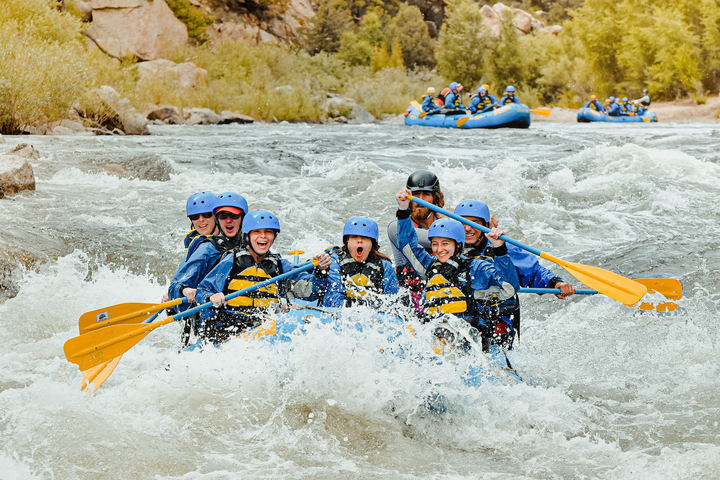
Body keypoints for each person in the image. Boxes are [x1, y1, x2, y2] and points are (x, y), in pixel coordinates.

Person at [394, 189, 520, 350]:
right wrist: (403, 209)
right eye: (435, 244)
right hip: (438, 341)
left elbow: (509, 287)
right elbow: (406, 244)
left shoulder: (475, 267)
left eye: (445, 243)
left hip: (470, 346)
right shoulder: (430, 266)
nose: (439, 249)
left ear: (458, 245)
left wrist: (499, 249)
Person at [196, 209, 331, 344]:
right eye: (257, 232)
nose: (263, 236)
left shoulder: (280, 265)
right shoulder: (231, 261)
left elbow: (312, 292)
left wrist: (321, 271)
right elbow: (202, 290)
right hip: (230, 332)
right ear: (247, 236)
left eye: (268, 232)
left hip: (264, 332)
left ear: (274, 236)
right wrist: (211, 296)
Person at [454, 199, 575, 347]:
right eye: (462, 223)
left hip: (497, 324)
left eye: (474, 223)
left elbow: (534, 271)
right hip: (463, 324)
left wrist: (555, 283)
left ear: (486, 225)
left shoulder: (502, 247)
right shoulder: (448, 249)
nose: (467, 228)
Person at [168, 191, 248, 344]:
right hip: (209, 314)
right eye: (195, 217)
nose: (201, 220)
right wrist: (183, 289)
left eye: (206, 214)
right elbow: (176, 285)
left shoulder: (247, 243)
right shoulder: (206, 249)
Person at [314, 216, 399, 307]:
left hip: (373, 313)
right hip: (342, 310)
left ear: (372, 244)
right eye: (354, 237)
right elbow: (332, 295)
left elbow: (391, 301)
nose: (359, 241)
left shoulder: (384, 265)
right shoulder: (335, 260)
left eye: (365, 237)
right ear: (347, 242)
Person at [387, 170, 445, 300]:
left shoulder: (444, 223)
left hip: (442, 291)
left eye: (426, 194)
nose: (420, 200)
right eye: (416, 194)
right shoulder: (396, 228)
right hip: (412, 297)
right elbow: (441, 239)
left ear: (436, 198)